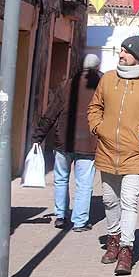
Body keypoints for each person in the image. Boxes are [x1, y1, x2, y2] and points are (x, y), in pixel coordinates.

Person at [87, 36, 139, 276]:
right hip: (107, 149)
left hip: (135, 152)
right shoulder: (109, 79)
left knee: (129, 200)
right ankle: (113, 238)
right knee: (109, 201)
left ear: (138, 56)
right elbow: (95, 107)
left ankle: (126, 248)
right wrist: (98, 128)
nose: (121, 54)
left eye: (126, 51)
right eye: (120, 50)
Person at [33, 54, 102, 232]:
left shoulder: (67, 84)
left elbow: (52, 111)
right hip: (89, 143)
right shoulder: (102, 87)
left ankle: (61, 216)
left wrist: (38, 136)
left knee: (61, 179)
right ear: (97, 67)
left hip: (63, 140)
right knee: (84, 183)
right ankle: (79, 221)